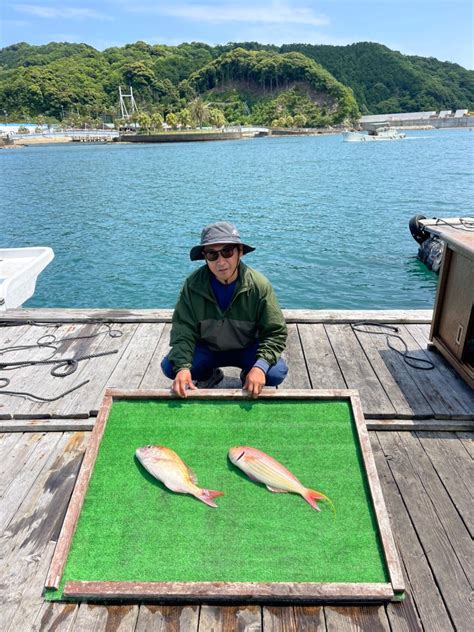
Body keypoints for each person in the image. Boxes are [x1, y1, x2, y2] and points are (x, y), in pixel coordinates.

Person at [161, 221, 288, 398]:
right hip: (209, 349)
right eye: (212, 254)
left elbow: (275, 332)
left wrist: (260, 367)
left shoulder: (260, 286)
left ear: (240, 252)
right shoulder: (192, 286)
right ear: (204, 257)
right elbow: (183, 331)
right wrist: (183, 367)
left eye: (227, 251)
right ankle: (209, 375)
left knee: (275, 373)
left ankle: (249, 373)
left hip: (247, 348)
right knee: (171, 367)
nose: (221, 261)